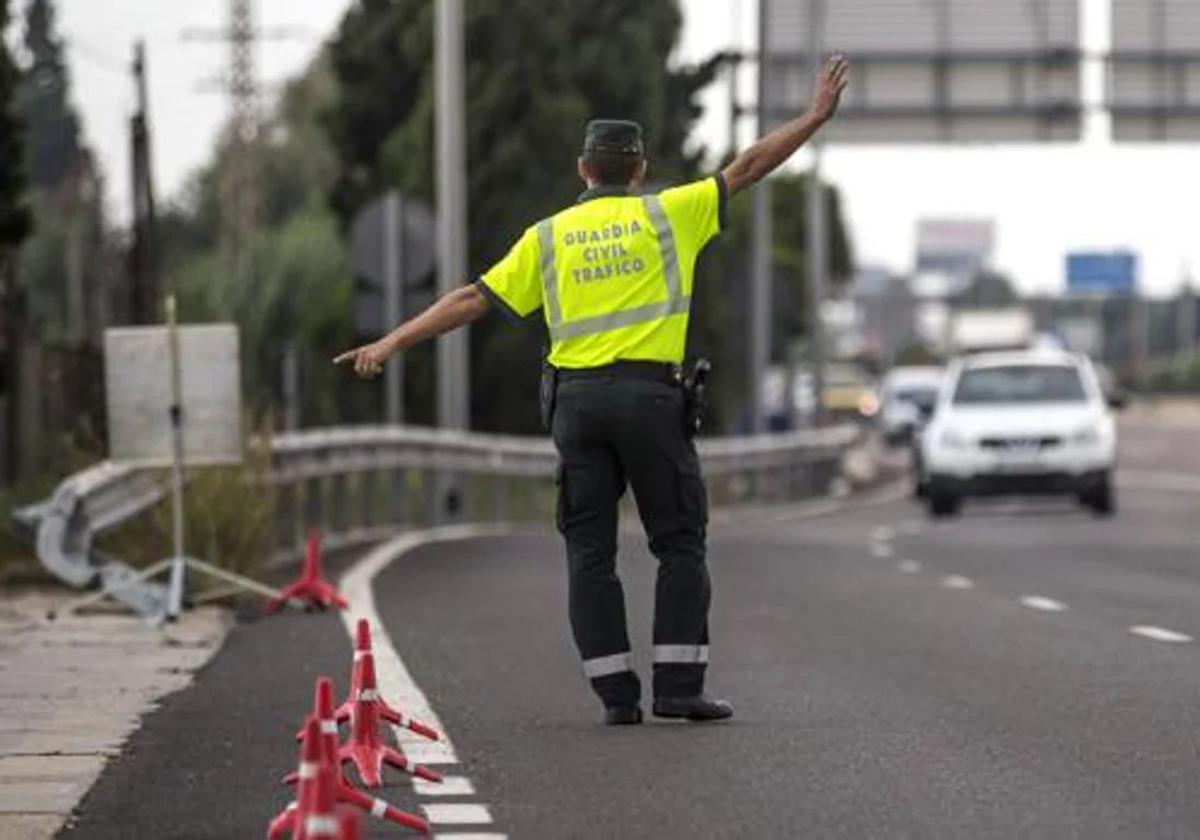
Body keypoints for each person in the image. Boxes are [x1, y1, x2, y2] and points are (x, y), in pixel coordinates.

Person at [335, 55, 850, 725]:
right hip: (650, 403)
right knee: (679, 543)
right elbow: (748, 167)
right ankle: (677, 688)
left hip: (576, 408)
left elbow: (470, 299)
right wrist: (814, 116)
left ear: (583, 169)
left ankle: (617, 698)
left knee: (589, 552)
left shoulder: (546, 238)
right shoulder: (672, 213)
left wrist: (391, 342)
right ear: (637, 169)